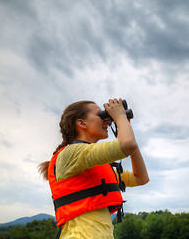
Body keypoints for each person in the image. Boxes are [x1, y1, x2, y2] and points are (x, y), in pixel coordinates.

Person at [38, 98, 149, 238]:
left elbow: (141, 178)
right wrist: (120, 117)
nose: (107, 121)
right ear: (82, 123)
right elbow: (127, 144)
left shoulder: (97, 168)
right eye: (101, 115)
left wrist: (125, 127)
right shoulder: (70, 154)